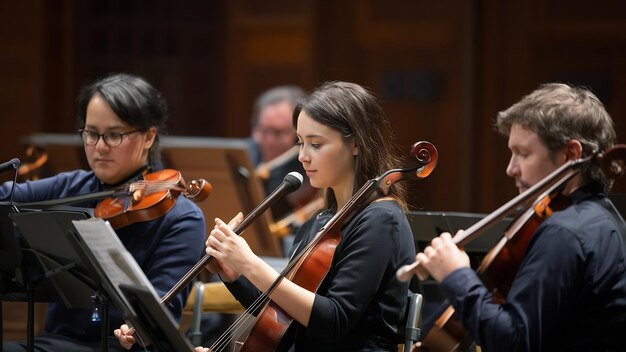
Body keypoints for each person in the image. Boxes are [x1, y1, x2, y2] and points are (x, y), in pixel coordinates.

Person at [204, 81, 416, 351]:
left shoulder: (381, 220)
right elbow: (284, 318)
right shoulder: (319, 222)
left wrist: (250, 263)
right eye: (301, 143)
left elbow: (334, 320)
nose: (303, 156)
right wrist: (234, 274)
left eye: (316, 144)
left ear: (356, 144)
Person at [1, 73, 206, 351]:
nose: (99, 147)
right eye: (91, 133)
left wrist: (135, 329)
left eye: (114, 135)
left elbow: (161, 315)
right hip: (57, 343)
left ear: (148, 137)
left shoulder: (182, 219)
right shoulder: (71, 186)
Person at [415, 83, 626, 351]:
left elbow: (515, 342)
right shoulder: (607, 219)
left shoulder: (565, 232)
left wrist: (456, 275)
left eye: (523, 154)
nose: (510, 169)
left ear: (570, 155)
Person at [248, 85, 316, 221]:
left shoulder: (310, 164)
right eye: (263, 130)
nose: (269, 140)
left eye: (278, 133)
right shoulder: (246, 153)